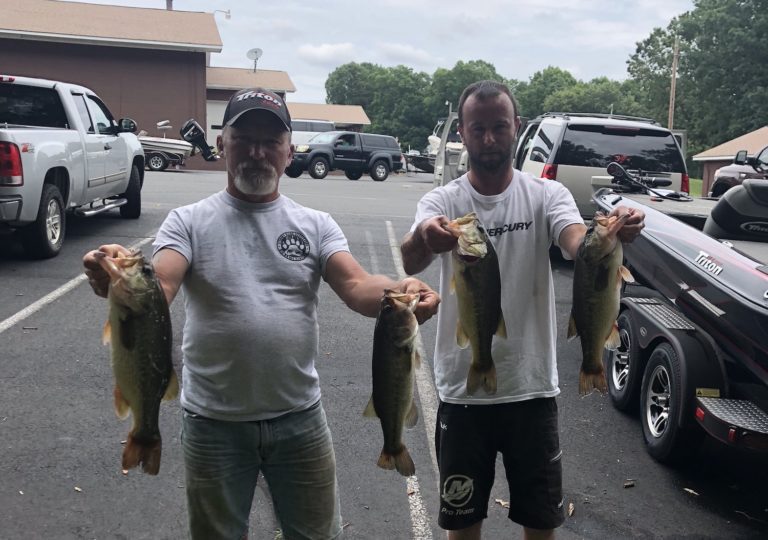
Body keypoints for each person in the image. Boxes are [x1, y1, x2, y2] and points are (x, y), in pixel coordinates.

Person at [83, 87, 440, 540]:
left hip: (299, 420)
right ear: (221, 145)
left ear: (289, 151)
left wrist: (402, 287)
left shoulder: (314, 224)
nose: (257, 152)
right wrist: (113, 277)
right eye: (243, 139)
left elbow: (355, 285)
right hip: (213, 424)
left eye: (271, 142)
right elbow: (162, 283)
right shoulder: (188, 221)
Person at [400, 80, 644, 540]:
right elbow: (411, 257)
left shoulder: (546, 196)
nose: (489, 139)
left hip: (532, 391)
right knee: (462, 521)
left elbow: (574, 242)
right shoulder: (442, 201)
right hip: (462, 393)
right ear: (463, 135)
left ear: (516, 127)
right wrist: (424, 238)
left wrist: (604, 237)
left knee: (540, 521)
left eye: (498, 127)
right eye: (477, 129)